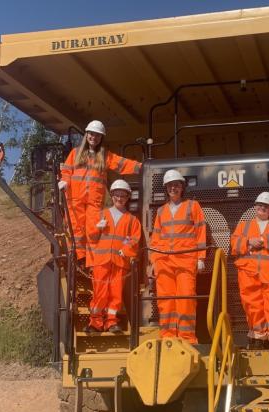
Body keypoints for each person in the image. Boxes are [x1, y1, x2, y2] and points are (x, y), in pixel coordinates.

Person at [59, 120, 142, 264]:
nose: (94, 137)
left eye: (98, 135)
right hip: (74, 198)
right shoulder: (75, 153)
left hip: (93, 201)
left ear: (101, 138)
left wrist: (142, 167)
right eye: (92, 134)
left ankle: (91, 263)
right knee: (75, 229)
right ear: (87, 134)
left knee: (94, 231)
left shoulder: (105, 155)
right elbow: (67, 170)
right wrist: (65, 180)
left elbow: (122, 164)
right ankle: (77, 259)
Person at [149, 169, 207, 344]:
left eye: (176, 185)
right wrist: (153, 261)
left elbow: (200, 232)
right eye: (170, 185)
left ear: (182, 187)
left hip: (185, 260)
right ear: (166, 188)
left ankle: (187, 338)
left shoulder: (192, 206)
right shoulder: (160, 212)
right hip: (163, 262)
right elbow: (156, 239)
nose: (173, 188)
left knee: (186, 299)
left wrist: (200, 258)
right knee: (165, 302)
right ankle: (168, 337)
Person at [231, 192, 269, 349]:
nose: (262, 208)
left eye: (266, 206)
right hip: (249, 273)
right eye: (260, 205)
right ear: (255, 207)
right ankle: (258, 337)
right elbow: (234, 244)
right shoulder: (244, 225)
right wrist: (249, 241)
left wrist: (262, 241)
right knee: (252, 306)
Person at [85, 179, 141, 333]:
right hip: (101, 261)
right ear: (112, 195)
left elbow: (135, 239)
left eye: (123, 195)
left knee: (116, 293)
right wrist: (97, 228)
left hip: (120, 262)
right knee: (99, 292)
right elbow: (92, 238)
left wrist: (127, 250)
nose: (120, 198)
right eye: (117, 195)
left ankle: (111, 322)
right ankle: (95, 322)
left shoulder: (132, 220)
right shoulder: (102, 215)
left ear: (128, 197)